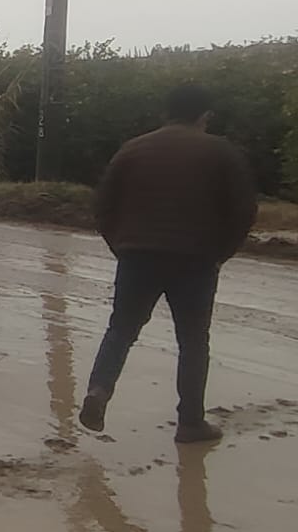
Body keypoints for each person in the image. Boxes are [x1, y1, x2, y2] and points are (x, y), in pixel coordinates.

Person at [80, 84, 257, 444]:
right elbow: (244, 211)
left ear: (167, 112)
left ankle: (99, 390)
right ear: (204, 116)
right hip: (196, 258)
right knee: (193, 341)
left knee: (121, 330)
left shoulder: (132, 149)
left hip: (137, 255)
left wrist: (123, 246)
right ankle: (191, 423)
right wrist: (220, 252)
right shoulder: (220, 152)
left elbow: (102, 207)